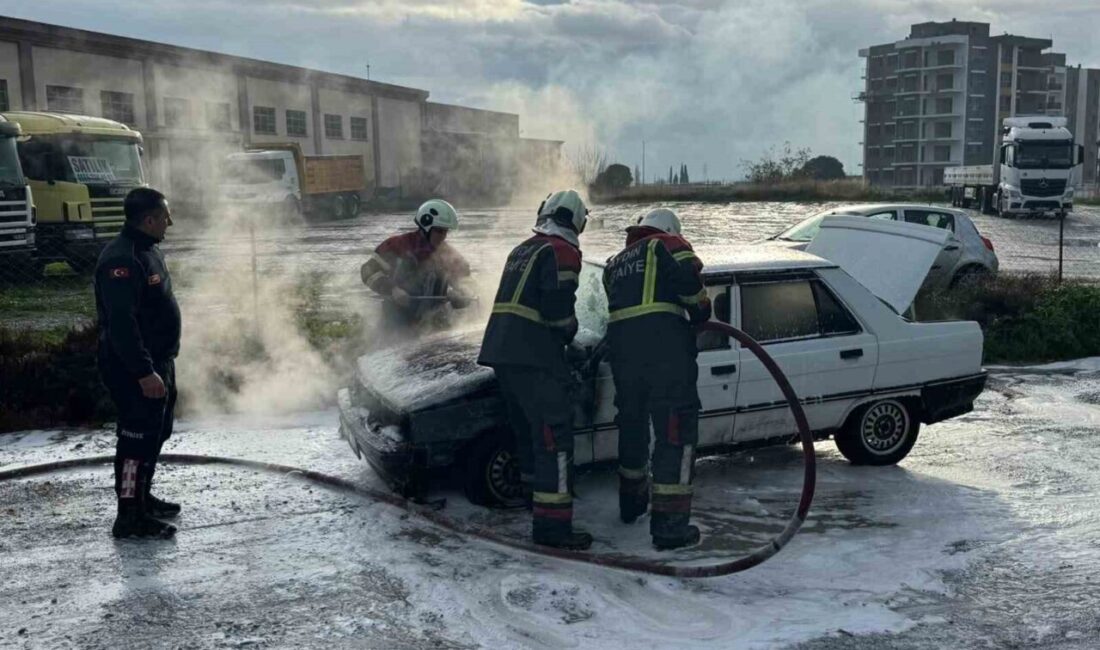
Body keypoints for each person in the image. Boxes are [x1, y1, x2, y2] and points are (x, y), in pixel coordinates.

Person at [477, 189, 591, 550]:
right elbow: (558, 313)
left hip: (502, 354)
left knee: (528, 434)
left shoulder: (524, 248)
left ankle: (533, 500)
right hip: (534, 359)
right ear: (576, 220)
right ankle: (553, 528)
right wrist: (571, 334)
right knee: (555, 439)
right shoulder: (562, 251)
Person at [602, 208, 711, 550]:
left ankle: (631, 505)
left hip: (623, 356)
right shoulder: (666, 243)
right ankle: (670, 528)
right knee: (675, 433)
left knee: (632, 427)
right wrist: (701, 310)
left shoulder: (614, 262)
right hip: (663, 352)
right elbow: (692, 288)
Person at [94, 187, 181, 539]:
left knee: (156, 433)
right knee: (134, 442)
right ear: (148, 220)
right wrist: (144, 372)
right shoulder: (123, 259)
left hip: (159, 362)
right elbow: (121, 324)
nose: (169, 222)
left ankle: (142, 498)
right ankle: (128, 515)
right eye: (165, 216)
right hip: (133, 368)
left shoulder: (147, 250)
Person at [360, 199, 472, 335]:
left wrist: (461, 297)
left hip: (435, 324)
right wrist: (392, 290)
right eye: (439, 231)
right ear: (425, 226)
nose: (443, 236)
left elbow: (467, 284)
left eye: (446, 232)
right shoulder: (397, 246)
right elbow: (367, 271)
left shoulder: (450, 256)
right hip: (397, 321)